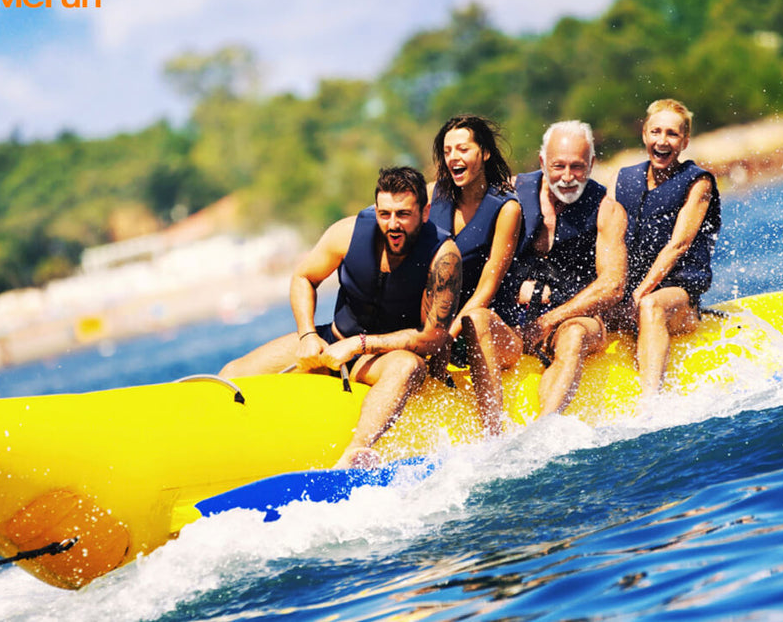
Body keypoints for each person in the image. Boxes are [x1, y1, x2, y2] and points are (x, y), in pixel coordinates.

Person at [219, 166, 462, 468]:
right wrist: (308, 335)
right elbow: (304, 277)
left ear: (424, 213)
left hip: (383, 357)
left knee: (408, 366)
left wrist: (359, 344)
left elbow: (433, 337)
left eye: (403, 214)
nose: (393, 224)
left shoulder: (443, 255)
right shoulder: (347, 233)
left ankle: (355, 453)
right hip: (330, 341)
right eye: (385, 214)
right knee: (233, 373)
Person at [462, 120, 628, 425]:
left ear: (591, 164)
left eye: (577, 167)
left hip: (570, 323)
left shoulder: (607, 210)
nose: (567, 177)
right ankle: (492, 433)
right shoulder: (506, 195)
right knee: (478, 320)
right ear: (542, 162)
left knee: (575, 335)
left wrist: (550, 320)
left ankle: (543, 430)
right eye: (558, 166)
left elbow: (613, 286)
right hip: (514, 328)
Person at [610, 99, 721, 397]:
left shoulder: (698, 182)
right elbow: (607, 240)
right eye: (656, 132)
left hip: (678, 297)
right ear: (645, 134)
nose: (662, 141)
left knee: (650, 305)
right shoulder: (623, 179)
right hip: (629, 292)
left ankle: (650, 403)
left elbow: (678, 244)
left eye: (672, 134)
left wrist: (638, 293)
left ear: (684, 142)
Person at [427, 114, 522, 434]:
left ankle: (493, 434)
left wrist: (445, 335)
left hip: (490, 327)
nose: (454, 157)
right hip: (437, 328)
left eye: (463, 149)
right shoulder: (432, 196)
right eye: (448, 150)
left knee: (476, 318)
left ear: (484, 153)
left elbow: (487, 288)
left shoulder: (506, 208)